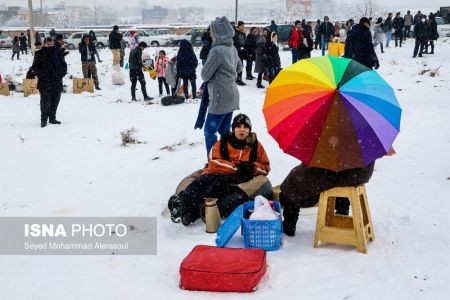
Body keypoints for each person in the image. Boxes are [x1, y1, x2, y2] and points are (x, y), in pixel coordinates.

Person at [168, 114, 271, 225]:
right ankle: (182, 205)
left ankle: (197, 210)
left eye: (245, 127)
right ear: (233, 129)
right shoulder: (223, 142)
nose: (242, 129)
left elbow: (265, 167)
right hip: (217, 174)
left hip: (239, 181)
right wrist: (236, 168)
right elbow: (214, 161)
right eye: (238, 126)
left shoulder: (256, 145)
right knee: (203, 183)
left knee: (228, 196)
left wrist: (252, 167)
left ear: (249, 130)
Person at [280, 162, 375, 236]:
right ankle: (342, 213)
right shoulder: (366, 139)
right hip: (361, 173)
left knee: (295, 181)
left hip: (345, 172)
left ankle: (289, 226)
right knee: (336, 178)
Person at [201, 16, 243, 157]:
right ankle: (228, 157)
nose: (211, 34)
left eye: (212, 31)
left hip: (220, 97)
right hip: (232, 94)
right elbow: (239, 67)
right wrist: (227, 76)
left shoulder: (217, 51)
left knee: (209, 131)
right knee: (224, 130)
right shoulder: (232, 48)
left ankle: (215, 160)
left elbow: (205, 75)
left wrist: (219, 79)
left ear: (219, 32)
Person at [31, 37, 67, 127]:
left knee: (55, 101)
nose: (49, 46)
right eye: (48, 44)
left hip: (56, 81)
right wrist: (42, 75)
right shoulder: (39, 53)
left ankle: (52, 118)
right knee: (45, 102)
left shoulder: (57, 52)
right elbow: (35, 67)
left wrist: (60, 75)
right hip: (45, 82)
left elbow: (64, 65)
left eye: (51, 44)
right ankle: (43, 120)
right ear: (44, 44)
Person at [233, 21, 247, 86]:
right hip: (237, 52)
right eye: (242, 26)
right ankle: (237, 79)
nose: (243, 27)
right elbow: (234, 43)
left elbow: (244, 42)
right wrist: (239, 48)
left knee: (240, 65)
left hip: (242, 52)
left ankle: (239, 79)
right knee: (238, 66)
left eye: (243, 26)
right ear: (238, 26)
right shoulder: (236, 33)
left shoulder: (243, 33)